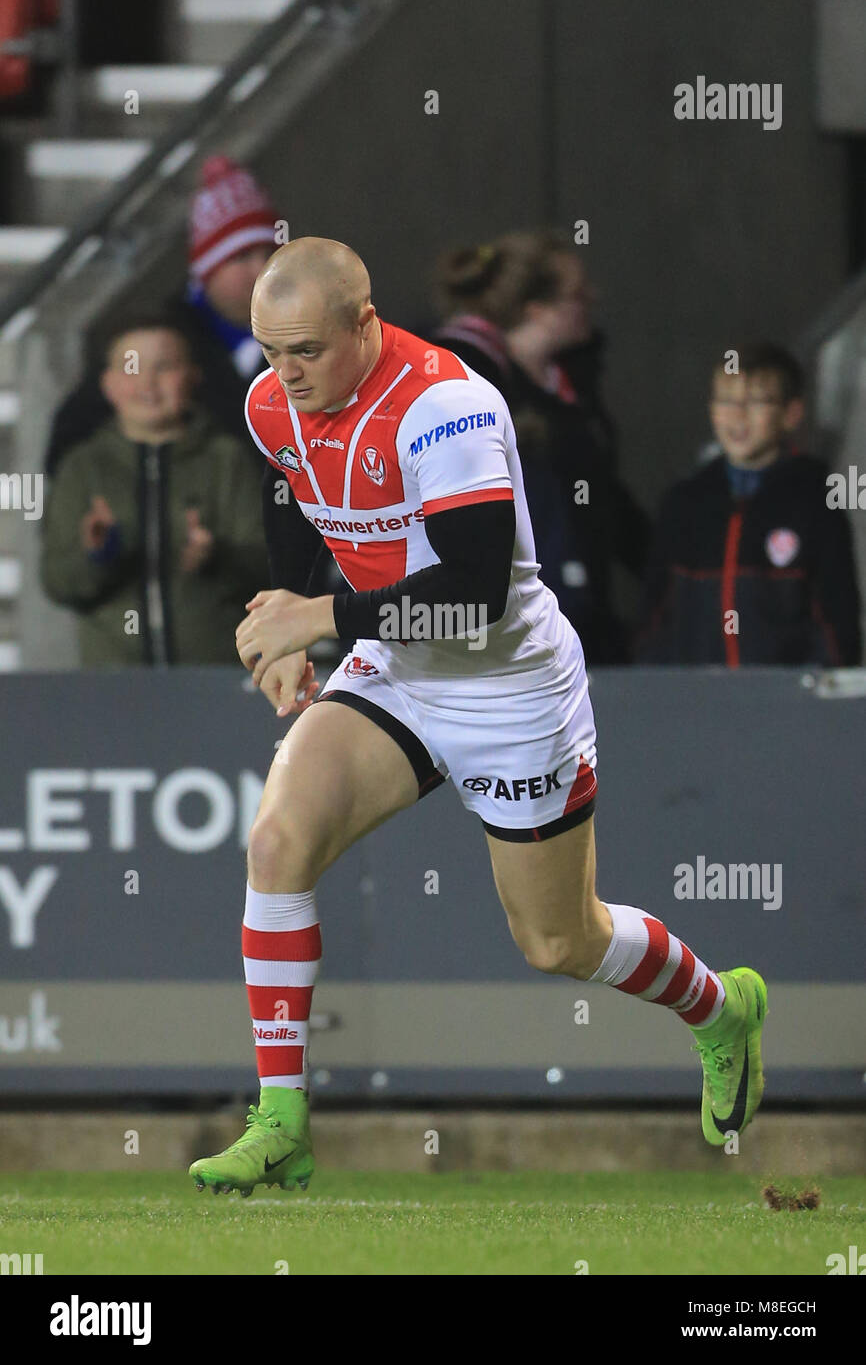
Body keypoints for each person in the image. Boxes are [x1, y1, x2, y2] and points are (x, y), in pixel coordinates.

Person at [188, 238, 768, 1198]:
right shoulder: (272, 401)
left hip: (508, 687)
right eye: (269, 350)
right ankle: (281, 1120)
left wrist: (319, 616)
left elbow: (471, 597)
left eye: (306, 352)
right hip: (395, 667)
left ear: (366, 325)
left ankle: (720, 1011)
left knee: (559, 943)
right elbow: (292, 489)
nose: (284, 375)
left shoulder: (443, 409)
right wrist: (292, 619)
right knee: (276, 843)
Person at [431, 231, 650, 663]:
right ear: (537, 309)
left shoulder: (572, 384)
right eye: (577, 294)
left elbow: (607, 501)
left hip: (582, 619)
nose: (592, 298)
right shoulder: (467, 385)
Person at [40, 315, 269, 665]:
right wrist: (98, 555)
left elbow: (270, 567)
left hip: (216, 678)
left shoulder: (228, 460)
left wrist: (216, 557)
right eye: (132, 368)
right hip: (114, 682)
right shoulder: (83, 468)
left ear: (193, 376)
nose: (147, 382)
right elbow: (57, 581)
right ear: (108, 384)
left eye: (164, 367)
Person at [44, 156, 280, 478]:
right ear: (208, 269)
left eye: (270, 254)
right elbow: (74, 432)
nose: (262, 269)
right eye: (242, 256)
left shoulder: (304, 338)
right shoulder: (154, 338)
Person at [635, 342, 862, 666]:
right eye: (726, 401)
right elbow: (652, 621)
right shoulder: (684, 503)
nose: (737, 416)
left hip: (786, 709)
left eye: (756, 402)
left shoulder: (816, 501)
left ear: (791, 414)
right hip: (693, 707)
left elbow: (837, 628)